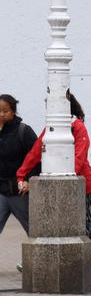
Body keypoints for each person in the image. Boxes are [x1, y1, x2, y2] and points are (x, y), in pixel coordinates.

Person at [18, 91, 91, 275]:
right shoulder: (52, 127)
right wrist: (22, 174)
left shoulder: (77, 127)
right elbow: (35, 151)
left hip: (83, 186)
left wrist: (65, 177)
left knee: (88, 223)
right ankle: (42, 258)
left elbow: (80, 158)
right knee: (50, 222)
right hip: (57, 183)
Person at [0, 94, 36, 239]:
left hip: (20, 192)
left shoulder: (23, 131)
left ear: (13, 111)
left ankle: (39, 260)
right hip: (1, 191)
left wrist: (29, 180)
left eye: (5, 111)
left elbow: (36, 159)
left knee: (34, 231)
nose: (1, 114)